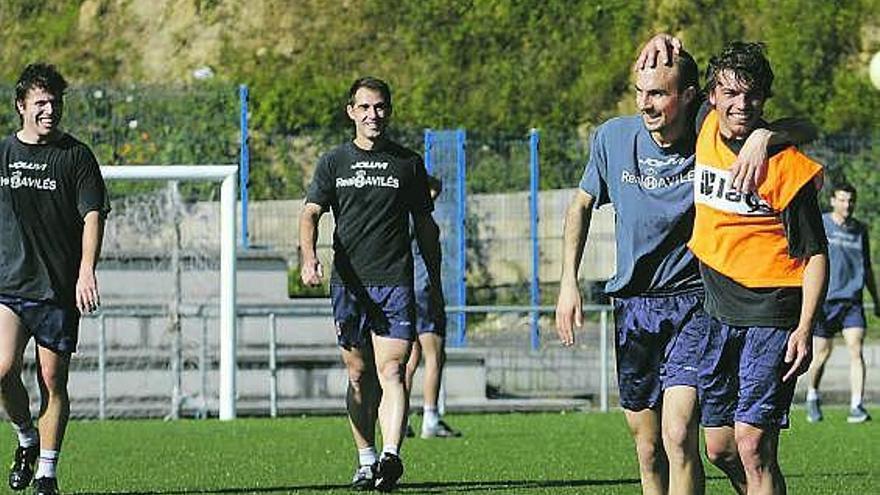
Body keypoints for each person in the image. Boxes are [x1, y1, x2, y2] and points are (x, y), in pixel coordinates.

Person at [557, 37, 816, 494]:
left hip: (694, 304)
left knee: (680, 436)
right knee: (649, 448)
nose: (646, 104)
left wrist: (764, 136)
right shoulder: (613, 137)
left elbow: (799, 125)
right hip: (633, 307)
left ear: (690, 98)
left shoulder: (707, 132)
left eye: (658, 94)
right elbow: (579, 206)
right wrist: (567, 283)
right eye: (641, 92)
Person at [688, 41, 827, 495]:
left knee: (752, 445)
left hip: (772, 313)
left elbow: (816, 256)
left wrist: (805, 327)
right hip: (718, 313)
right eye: (729, 93)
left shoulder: (786, 165)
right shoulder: (704, 126)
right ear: (712, 97)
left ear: (764, 99)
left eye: (751, 96)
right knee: (721, 448)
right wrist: (658, 43)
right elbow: (672, 82)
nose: (740, 105)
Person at [299, 76, 442, 492]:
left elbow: (426, 225)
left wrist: (433, 276)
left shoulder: (408, 163)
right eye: (363, 108)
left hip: (395, 282)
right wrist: (309, 257)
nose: (372, 115)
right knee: (360, 375)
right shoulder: (333, 162)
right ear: (351, 112)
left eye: (379, 107)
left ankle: (390, 456)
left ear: (389, 111)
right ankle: (365, 459)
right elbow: (310, 213)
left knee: (392, 369)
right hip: (349, 285)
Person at [0, 63, 109, 495]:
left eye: (55, 102)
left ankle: (47, 472)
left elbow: (92, 215)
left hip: (57, 288)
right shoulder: (3, 153)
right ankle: (25, 436)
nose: (50, 110)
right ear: (21, 106)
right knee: (2, 369)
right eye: (41, 102)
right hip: (9, 284)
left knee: (51, 380)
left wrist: (87, 270)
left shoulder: (76, 156)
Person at [806, 183, 878, 423]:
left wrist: (876, 299)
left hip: (852, 302)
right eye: (843, 200)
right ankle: (813, 395)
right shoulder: (821, 224)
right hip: (824, 301)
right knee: (822, 354)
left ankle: (857, 405)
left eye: (851, 200)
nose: (848, 205)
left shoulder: (860, 230)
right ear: (833, 201)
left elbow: (866, 267)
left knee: (856, 349)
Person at [404, 175, 461, 439]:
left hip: (404, 290)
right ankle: (430, 417)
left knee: (410, 357)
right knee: (434, 354)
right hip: (424, 288)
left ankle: (400, 418)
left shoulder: (398, 214)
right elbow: (437, 183)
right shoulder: (419, 213)